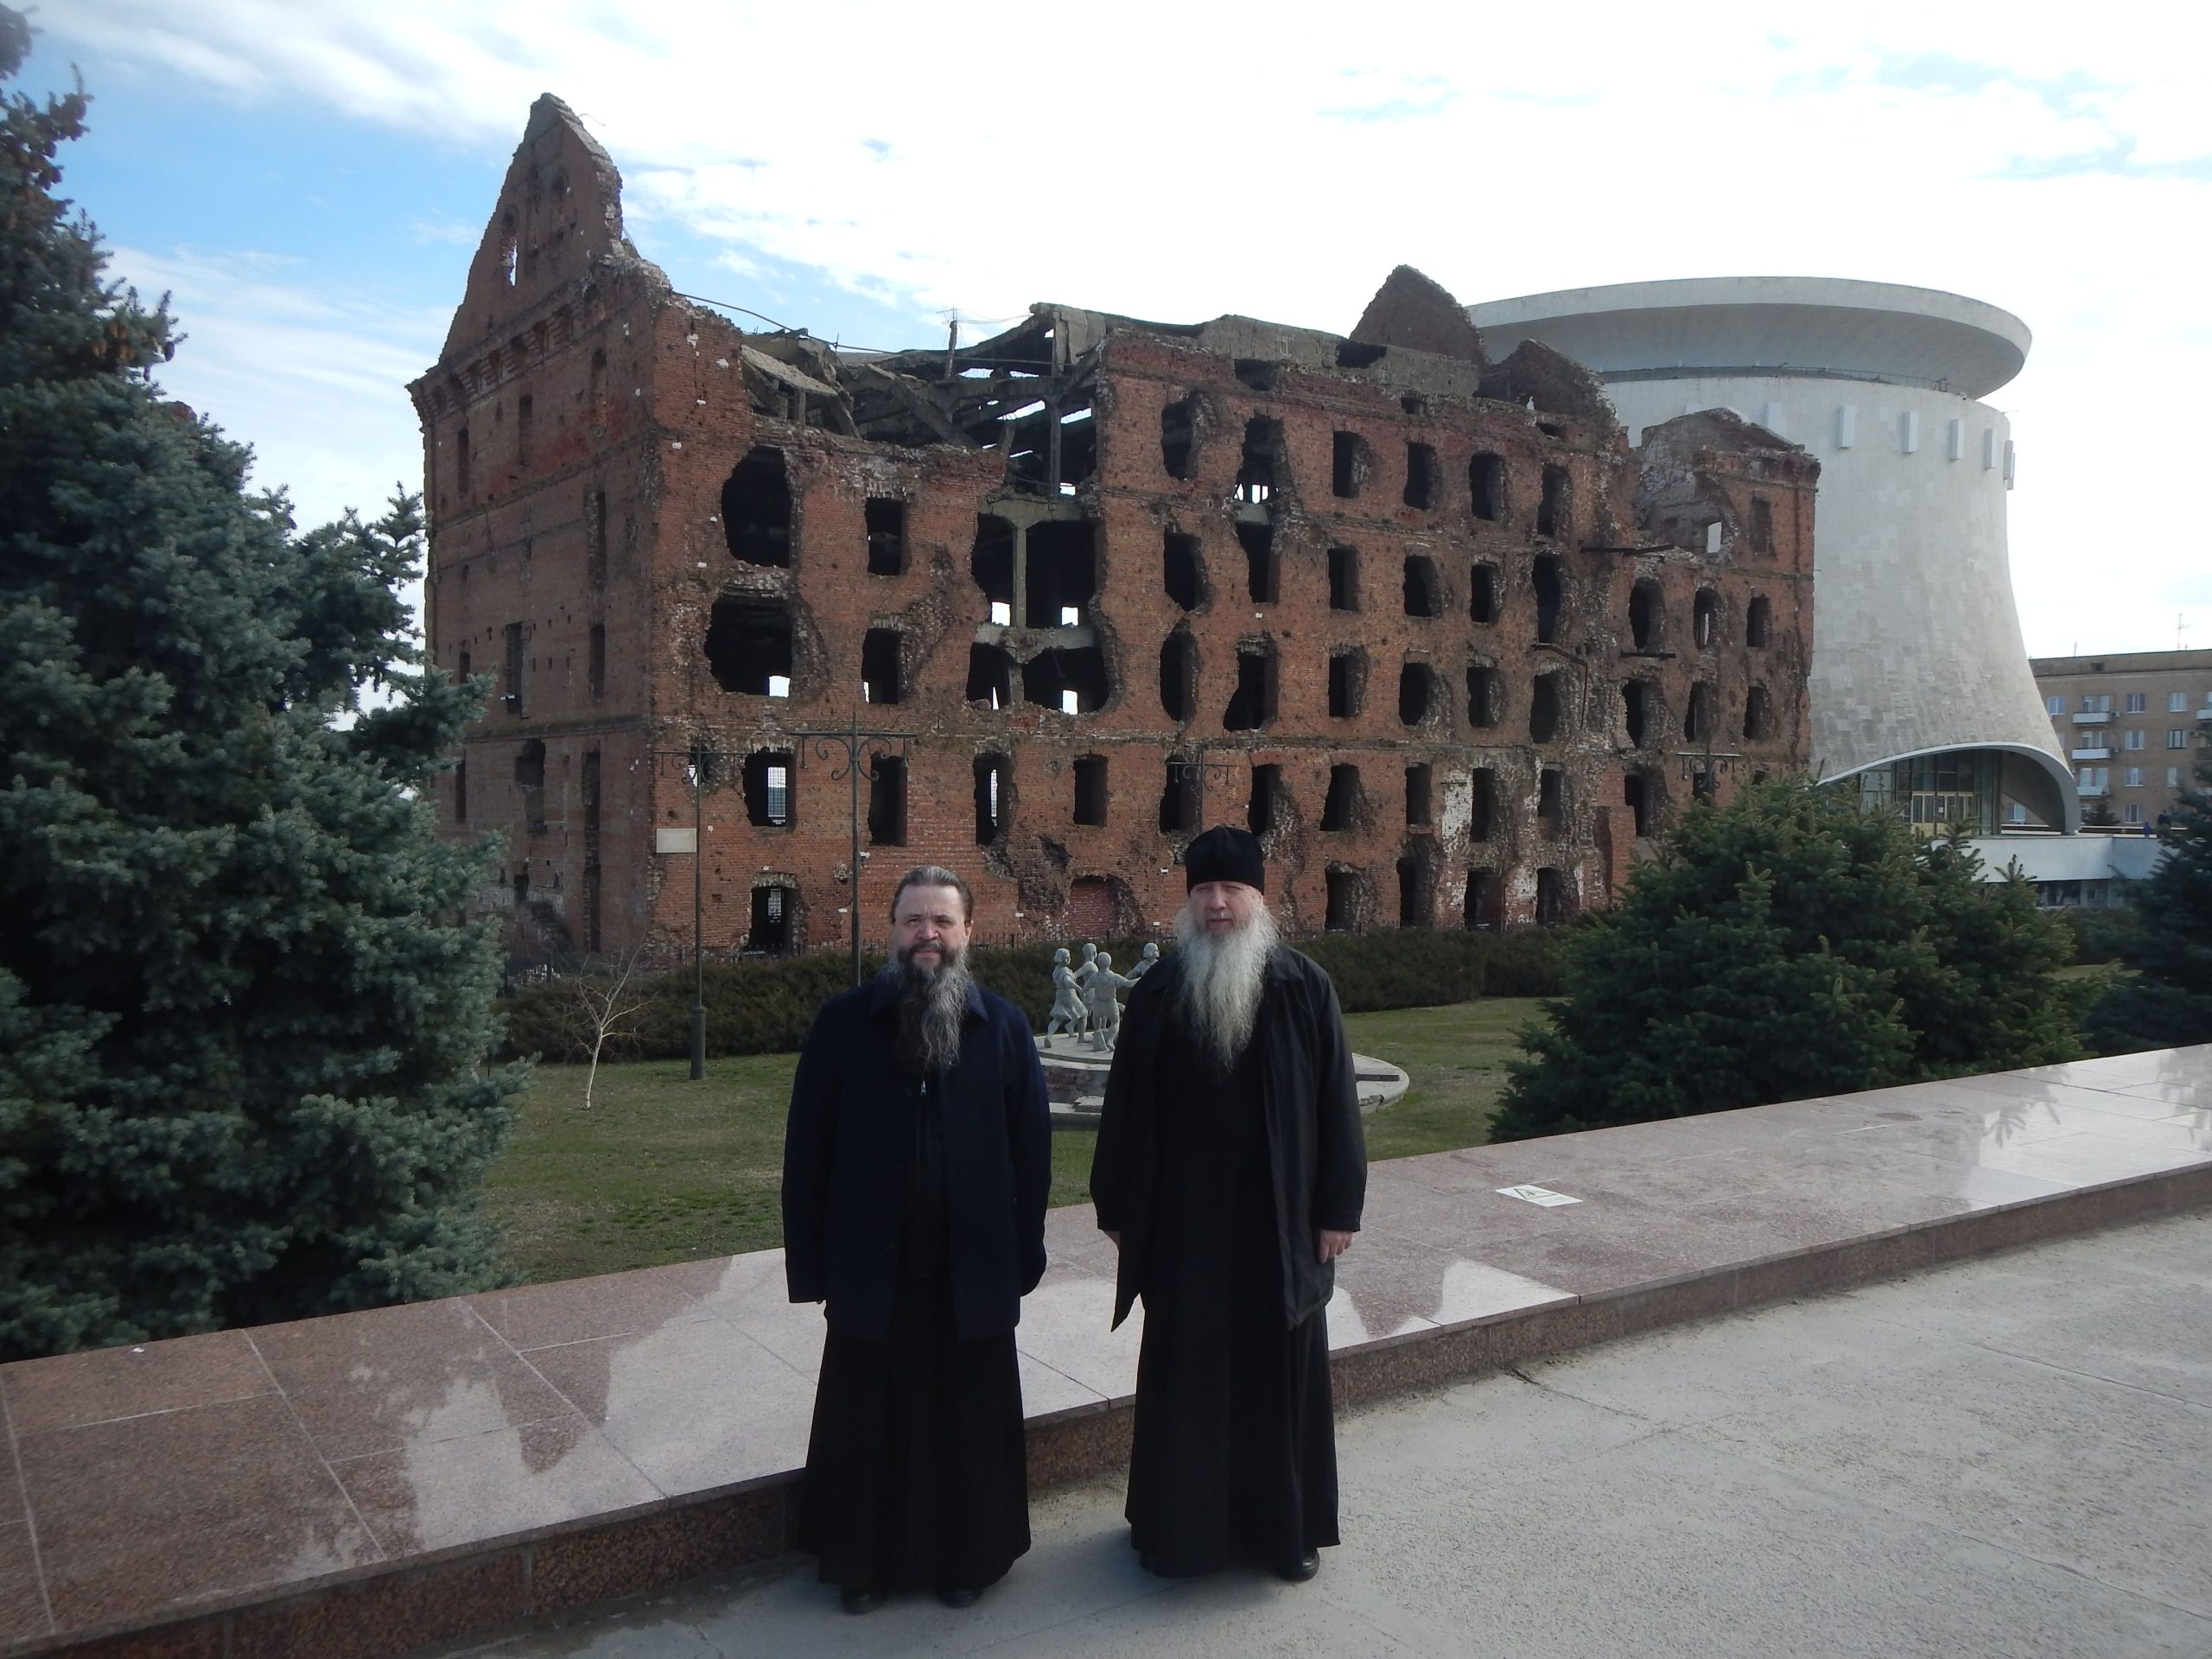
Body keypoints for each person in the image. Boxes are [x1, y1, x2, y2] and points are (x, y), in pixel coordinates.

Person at [1089, 825, 1366, 1583]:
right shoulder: (1159, 991)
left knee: (1279, 1379)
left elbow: (1337, 1103)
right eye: (1205, 890)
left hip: (1280, 1222)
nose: (1217, 903)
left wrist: (1338, 1210)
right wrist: (1118, 1206)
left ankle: (1288, 1533)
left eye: (1232, 889)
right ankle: (1177, 1534)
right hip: (1186, 1227)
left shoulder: (1304, 987)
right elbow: (1125, 1106)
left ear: (1258, 898)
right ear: (1189, 901)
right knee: (1188, 1377)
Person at [783, 865, 1052, 1614]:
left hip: (973, 1266)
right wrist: (812, 1266)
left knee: (968, 1419)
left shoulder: (1003, 1028)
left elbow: (1032, 1154)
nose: (926, 935)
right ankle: (859, 1565)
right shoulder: (843, 1025)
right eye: (912, 921)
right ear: (892, 930)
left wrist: (1024, 1254)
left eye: (941, 921)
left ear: (968, 932)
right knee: (867, 1418)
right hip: (872, 1265)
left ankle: (968, 1559)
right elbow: (807, 1150)